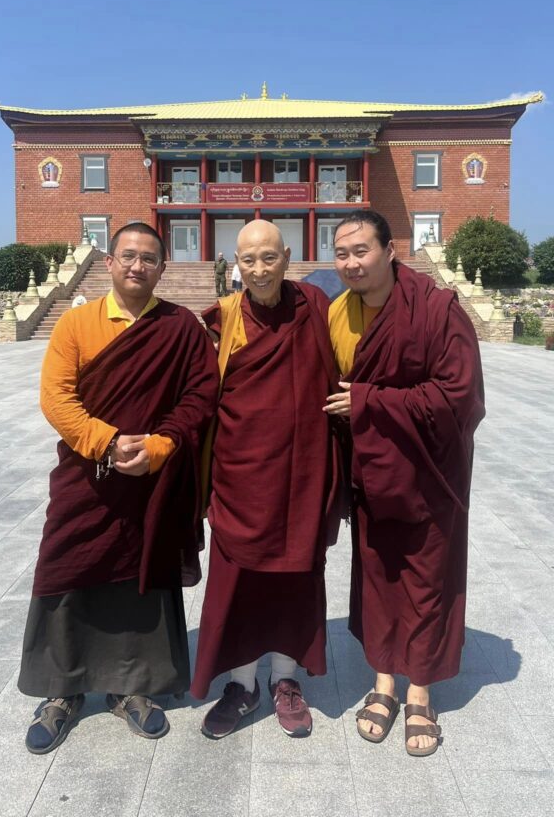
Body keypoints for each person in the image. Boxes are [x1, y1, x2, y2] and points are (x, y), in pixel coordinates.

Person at [19, 222, 219, 753]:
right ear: (109, 261)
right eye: (128, 256)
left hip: (152, 478)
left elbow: (202, 396)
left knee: (142, 573)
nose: (137, 266)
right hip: (88, 476)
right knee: (66, 566)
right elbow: (56, 398)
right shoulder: (77, 323)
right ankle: (62, 690)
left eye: (148, 259)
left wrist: (158, 447)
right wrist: (107, 443)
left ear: (162, 268)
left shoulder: (181, 328)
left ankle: (136, 688)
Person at [324, 210, 485, 757]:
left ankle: (419, 692)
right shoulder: (337, 313)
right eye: (341, 253)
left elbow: (459, 396)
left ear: (389, 250)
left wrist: (371, 401)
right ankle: (383, 682)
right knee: (378, 575)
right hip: (373, 471)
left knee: (426, 579)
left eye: (361, 250)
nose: (350, 262)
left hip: (429, 472)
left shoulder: (437, 310)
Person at [192, 219, 343, 739]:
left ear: (288, 257)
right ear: (237, 263)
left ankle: (285, 679)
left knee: (296, 578)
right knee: (238, 581)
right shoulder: (223, 319)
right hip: (241, 475)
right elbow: (199, 395)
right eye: (248, 260)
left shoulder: (317, 308)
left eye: (269, 258)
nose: (259, 270)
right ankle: (241, 683)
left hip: (302, 471)